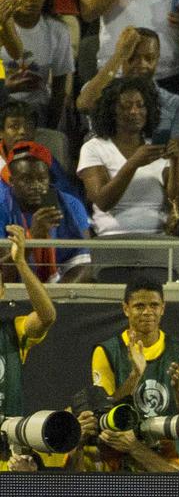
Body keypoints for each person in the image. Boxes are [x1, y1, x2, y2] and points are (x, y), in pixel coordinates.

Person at [77, 77, 179, 236]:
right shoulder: (94, 148)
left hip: (157, 238)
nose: (135, 111)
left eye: (141, 105)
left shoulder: (157, 147)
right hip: (112, 238)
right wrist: (132, 164)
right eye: (126, 106)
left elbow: (176, 200)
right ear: (112, 111)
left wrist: (176, 162)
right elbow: (103, 202)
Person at [92, 277, 179, 420]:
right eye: (139, 306)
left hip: (169, 441)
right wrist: (135, 376)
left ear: (163, 308)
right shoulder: (106, 351)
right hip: (126, 440)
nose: (147, 312)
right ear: (126, 309)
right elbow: (103, 411)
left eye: (154, 305)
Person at [76, 27, 179, 154]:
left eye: (149, 58)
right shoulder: (101, 88)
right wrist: (120, 54)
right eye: (132, 57)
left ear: (157, 59)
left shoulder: (174, 104)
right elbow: (85, 105)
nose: (141, 64)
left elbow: (177, 158)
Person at [0, 143, 91, 282]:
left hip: (60, 294)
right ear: (12, 181)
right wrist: (32, 238)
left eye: (42, 179)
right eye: (26, 179)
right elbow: (3, 276)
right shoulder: (2, 208)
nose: (36, 185)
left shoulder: (71, 205)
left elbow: (83, 266)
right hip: (12, 294)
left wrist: (56, 298)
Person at [1, 0, 72, 128]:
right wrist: (7, 88)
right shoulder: (2, 25)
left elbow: (59, 87)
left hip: (38, 107)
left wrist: (51, 127)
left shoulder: (57, 30)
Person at [0, 225, 56, 416]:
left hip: (7, 437)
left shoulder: (14, 330)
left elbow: (46, 316)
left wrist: (21, 262)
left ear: (2, 291)